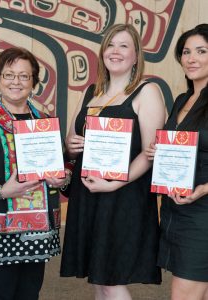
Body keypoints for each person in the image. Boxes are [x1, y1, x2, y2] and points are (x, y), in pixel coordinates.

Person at [60, 23, 165, 299]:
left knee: (111, 281)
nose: (115, 51)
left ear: (136, 55)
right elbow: (73, 142)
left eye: (123, 46)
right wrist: (70, 147)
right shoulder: (91, 92)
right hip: (89, 194)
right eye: (110, 45)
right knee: (98, 280)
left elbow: (149, 153)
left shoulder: (147, 92)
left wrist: (114, 184)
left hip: (123, 197)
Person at [0, 47, 68, 300]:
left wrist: (64, 177)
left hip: (36, 233)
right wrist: (0, 190)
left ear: (34, 82)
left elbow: (62, 167)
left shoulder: (43, 121)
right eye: (9, 75)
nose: (16, 82)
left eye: (24, 76)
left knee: (28, 294)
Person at [145, 24, 208, 300]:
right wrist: (158, 151)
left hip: (202, 212)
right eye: (186, 52)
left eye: (201, 51)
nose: (191, 58)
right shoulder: (182, 99)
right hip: (175, 209)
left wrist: (204, 189)